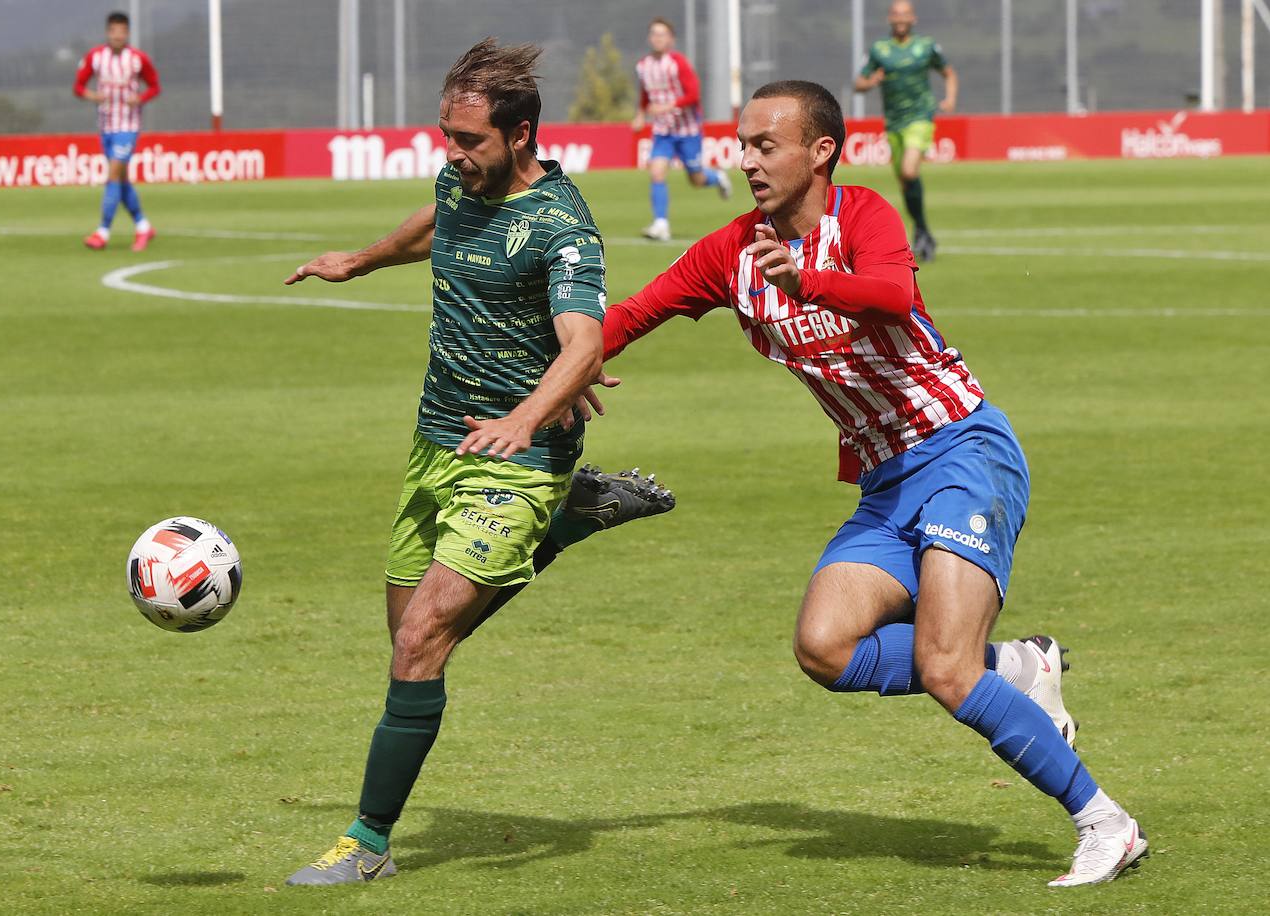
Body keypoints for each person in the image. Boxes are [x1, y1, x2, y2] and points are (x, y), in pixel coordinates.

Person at [556, 80, 1146, 887]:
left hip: (963, 451)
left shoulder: (862, 216)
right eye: (744, 144)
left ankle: (1106, 823)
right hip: (885, 482)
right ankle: (1017, 667)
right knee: (825, 648)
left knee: (944, 666)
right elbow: (629, 317)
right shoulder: (730, 253)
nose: (748, 160)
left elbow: (895, 293)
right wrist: (550, 380)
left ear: (821, 151)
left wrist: (808, 282)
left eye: (767, 145)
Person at [278, 39, 672, 887]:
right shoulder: (459, 181)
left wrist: (529, 415)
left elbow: (584, 340)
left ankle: (367, 843)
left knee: (421, 640)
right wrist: (363, 257)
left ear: (522, 133)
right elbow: (436, 224)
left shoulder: (562, 226)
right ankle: (573, 524)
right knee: (410, 646)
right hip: (433, 446)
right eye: (446, 138)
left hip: (518, 459)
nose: (452, 157)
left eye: (471, 142)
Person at [853, 0, 956, 262]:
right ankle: (924, 231)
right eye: (896, 14)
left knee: (910, 170)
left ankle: (922, 231)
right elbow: (859, 83)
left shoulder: (926, 46)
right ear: (890, 18)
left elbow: (949, 73)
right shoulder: (880, 50)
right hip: (894, 122)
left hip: (920, 116)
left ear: (914, 19)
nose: (900, 19)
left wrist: (949, 99)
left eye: (905, 14)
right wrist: (871, 81)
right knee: (905, 182)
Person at [632, 16, 731, 242]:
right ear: (650, 38)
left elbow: (693, 94)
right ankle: (661, 224)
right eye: (654, 34)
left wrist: (668, 106)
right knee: (656, 171)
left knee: (696, 180)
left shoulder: (678, 63)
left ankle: (717, 177)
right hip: (663, 131)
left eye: (662, 34)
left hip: (688, 130)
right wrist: (640, 113)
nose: (657, 38)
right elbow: (645, 93)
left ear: (671, 39)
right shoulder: (644, 65)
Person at [74, 10, 159, 252]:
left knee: (113, 175)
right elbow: (78, 86)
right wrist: (93, 95)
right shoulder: (96, 57)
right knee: (121, 181)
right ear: (108, 32)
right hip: (106, 126)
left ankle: (103, 232)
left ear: (128, 33)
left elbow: (155, 86)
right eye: (114, 31)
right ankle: (143, 226)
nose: (118, 36)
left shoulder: (137, 59)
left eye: (122, 31)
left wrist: (140, 98)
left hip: (128, 126)